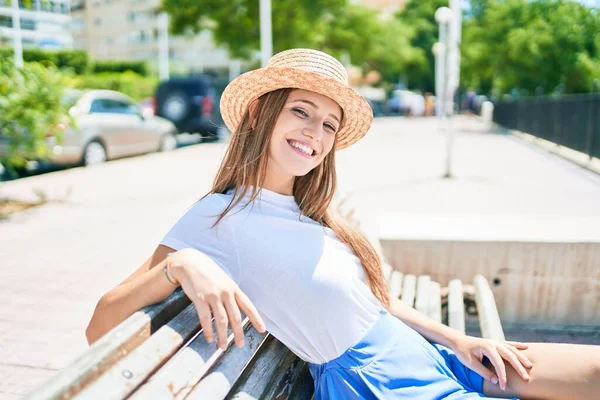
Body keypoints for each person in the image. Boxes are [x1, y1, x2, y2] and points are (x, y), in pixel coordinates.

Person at [86, 49, 600, 399]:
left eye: (328, 124)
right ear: (257, 117)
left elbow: (377, 303)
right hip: (379, 382)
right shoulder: (216, 218)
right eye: (301, 112)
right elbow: (100, 326)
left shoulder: (310, 211)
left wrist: (457, 341)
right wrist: (180, 264)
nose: (316, 133)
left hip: (431, 354)